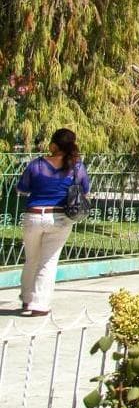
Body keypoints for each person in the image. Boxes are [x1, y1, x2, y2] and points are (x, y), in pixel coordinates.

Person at [16, 128, 88, 316]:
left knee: (31, 259)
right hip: (60, 218)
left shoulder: (37, 164)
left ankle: (26, 299)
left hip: (33, 215)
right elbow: (85, 189)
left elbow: (22, 188)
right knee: (48, 261)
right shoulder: (77, 167)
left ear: (53, 145)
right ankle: (39, 304)